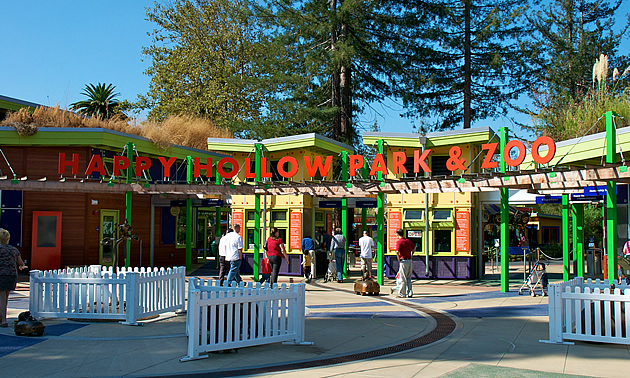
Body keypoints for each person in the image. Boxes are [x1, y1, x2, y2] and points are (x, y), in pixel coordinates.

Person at [0, 228, 28, 327]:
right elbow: (21, 263)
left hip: (1, 275)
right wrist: (23, 266)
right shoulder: (13, 249)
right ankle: (2, 318)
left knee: (2, 298)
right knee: (5, 298)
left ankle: (3, 320)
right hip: (11, 275)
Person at [395, 228, 415, 298]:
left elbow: (397, 251)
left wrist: (398, 258)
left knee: (403, 278)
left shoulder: (399, 242)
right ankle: (410, 292)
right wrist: (411, 254)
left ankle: (402, 294)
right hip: (409, 260)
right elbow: (414, 247)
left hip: (403, 260)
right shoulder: (408, 241)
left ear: (397, 234)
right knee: (409, 277)